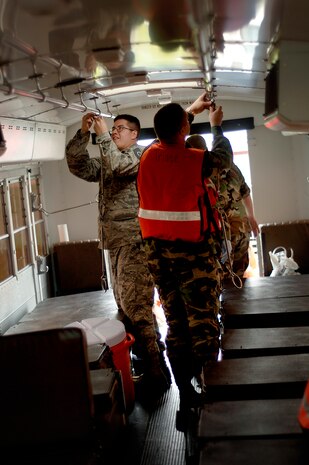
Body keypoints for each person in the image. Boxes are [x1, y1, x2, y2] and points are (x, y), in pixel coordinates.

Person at [137, 97, 233, 423]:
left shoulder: (147, 156)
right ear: (183, 130)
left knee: (176, 327)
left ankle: (185, 398)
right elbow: (224, 158)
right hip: (194, 258)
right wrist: (217, 123)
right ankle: (210, 398)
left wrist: (189, 111)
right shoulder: (196, 160)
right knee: (203, 326)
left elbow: (164, 133)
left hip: (158, 260)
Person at [65, 111, 171, 398]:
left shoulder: (140, 156)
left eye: (119, 129)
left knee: (137, 307)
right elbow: (78, 165)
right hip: (115, 243)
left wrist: (101, 137)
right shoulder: (109, 155)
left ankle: (157, 372)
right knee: (124, 308)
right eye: (112, 129)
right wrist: (83, 133)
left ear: (135, 134)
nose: (113, 132)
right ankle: (140, 360)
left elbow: (118, 165)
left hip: (135, 242)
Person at [186, 134, 259, 278]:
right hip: (237, 228)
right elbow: (245, 193)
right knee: (236, 277)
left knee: (222, 275)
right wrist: (251, 216)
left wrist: (250, 216)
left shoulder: (199, 171)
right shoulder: (230, 166)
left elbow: (244, 191)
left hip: (223, 231)